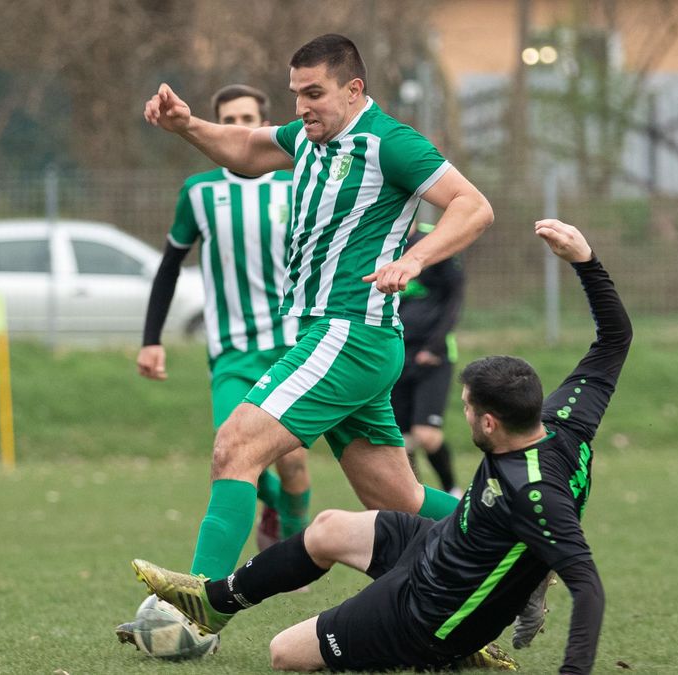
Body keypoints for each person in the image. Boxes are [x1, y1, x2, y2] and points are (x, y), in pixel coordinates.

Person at [132, 219, 632, 674]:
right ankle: (214, 600)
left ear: (488, 421)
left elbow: (587, 587)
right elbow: (614, 338)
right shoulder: (566, 421)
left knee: (284, 653)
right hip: (437, 546)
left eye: (463, 407)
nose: (460, 414)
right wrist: (585, 260)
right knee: (328, 528)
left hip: (429, 609)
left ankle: (449, 653)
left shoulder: (536, 492)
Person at [140, 33, 493, 586]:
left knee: (235, 445)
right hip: (345, 339)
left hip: (349, 333)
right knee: (397, 497)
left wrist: (415, 259)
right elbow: (247, 150)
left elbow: (474, 206)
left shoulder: (388, 142)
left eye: (314, 93)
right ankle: (519, 547)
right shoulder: (307, 138)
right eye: (295, 93)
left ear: (354, 90)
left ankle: (194, 613)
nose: (302, 106)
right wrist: (186, 124)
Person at [135, 84, 311, 554]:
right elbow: (169, 266)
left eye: (246, 118)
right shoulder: (199, 192)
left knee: (292, 465)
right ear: (215, 125)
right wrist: (151, 339)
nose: (238, 128)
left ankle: (292, 543)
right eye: (228, 120)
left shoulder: (295, 183)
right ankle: (265, 536)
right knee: (230, 450)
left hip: (293, 348)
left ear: (264, 123)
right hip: (232, 351)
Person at [391, 221, 466, 497]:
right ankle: (414, 502)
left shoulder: (434, 239)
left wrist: (435, 346)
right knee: (401, 441)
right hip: (395, 353)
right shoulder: (381, 241)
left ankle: (453, 491)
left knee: (427, 435)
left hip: (432, 355)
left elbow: (456, 296)